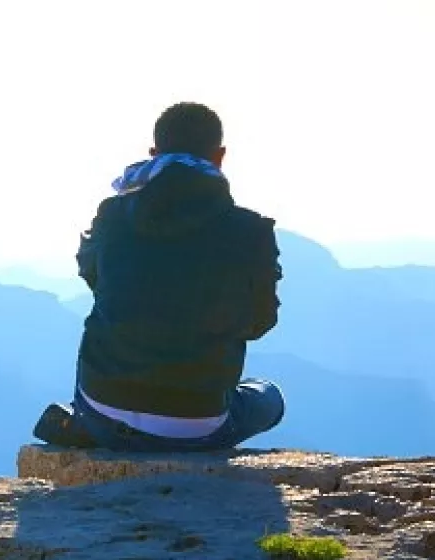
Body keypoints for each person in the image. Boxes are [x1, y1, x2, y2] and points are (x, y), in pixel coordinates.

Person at [34, 102, 285, 452]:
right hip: (198, 420)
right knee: (269, 398)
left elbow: (94, 276)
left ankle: (91, 425)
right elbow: (259, 322)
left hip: (101, 404)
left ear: (153, 154)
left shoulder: (112, 215)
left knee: (102, 399)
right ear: (220, 156)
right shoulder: (251, 231)